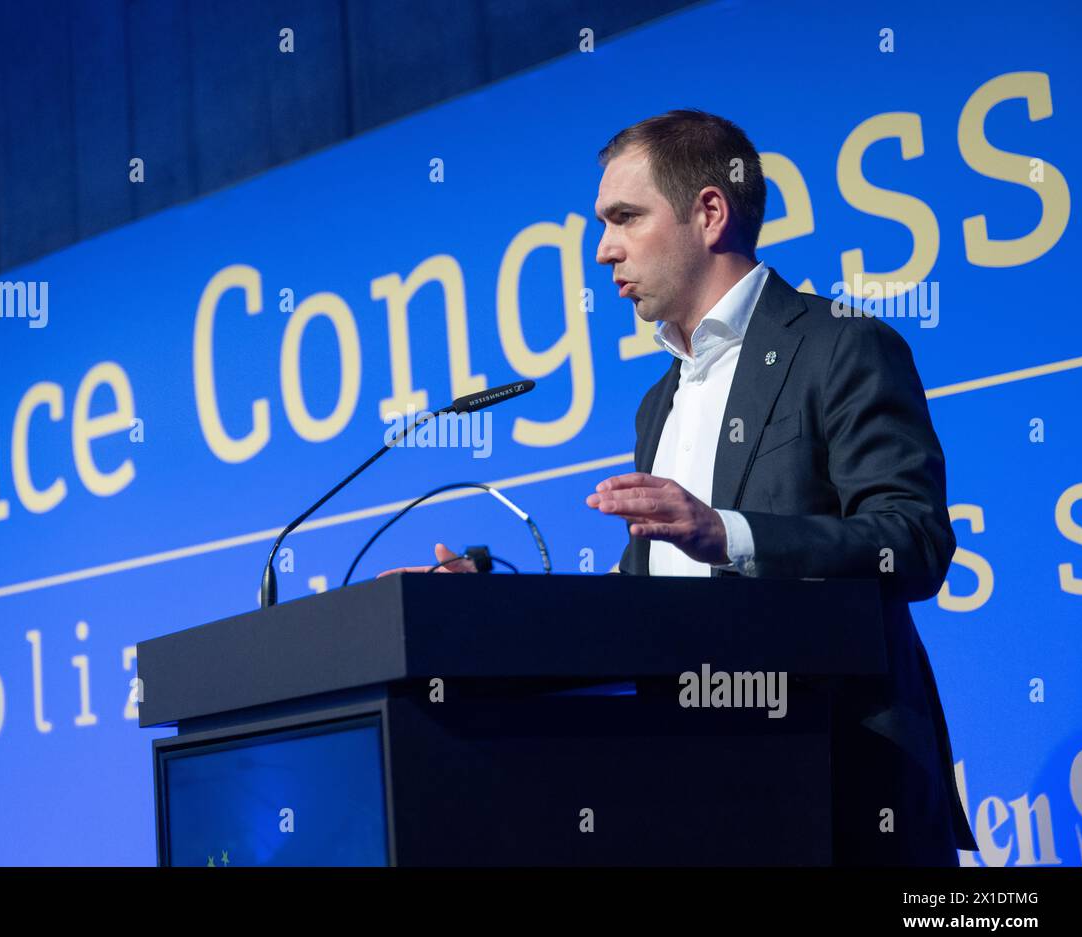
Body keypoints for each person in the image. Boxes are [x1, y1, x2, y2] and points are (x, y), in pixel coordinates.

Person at [384, 109, 978, 866]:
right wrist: (484, 611)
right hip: (696, 801)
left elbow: (914, 543)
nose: (603, 251)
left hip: (842, 797)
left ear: (710, 211)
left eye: (624, 217)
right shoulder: (657, 402)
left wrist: (726, 532)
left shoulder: (841, 346)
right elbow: (648, 613)